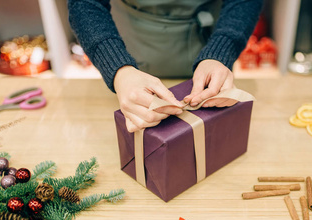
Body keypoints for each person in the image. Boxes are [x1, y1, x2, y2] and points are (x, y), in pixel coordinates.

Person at [68, 0, 263, 132]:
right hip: (130, 50)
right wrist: (118, 69)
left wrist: (221, 52)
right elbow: (85, 3)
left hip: (211, 43)